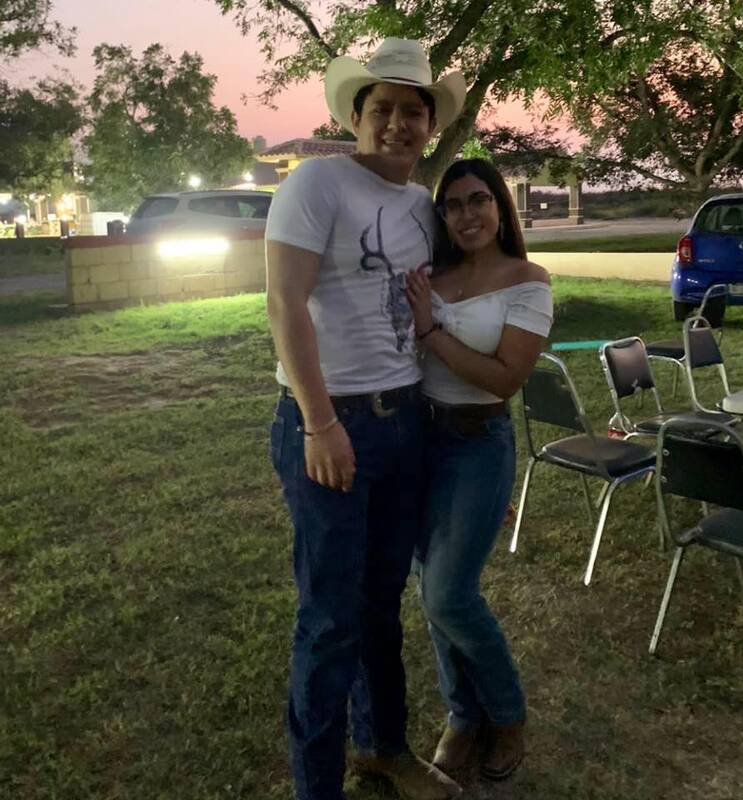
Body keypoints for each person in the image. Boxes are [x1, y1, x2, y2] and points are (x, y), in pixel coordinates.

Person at [266, 38, 467, 800]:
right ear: (355, 116)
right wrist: (320, 425)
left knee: (382, 605)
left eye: (413, 111)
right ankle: (316, 786)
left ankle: (384, 747)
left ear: (430, 124)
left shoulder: (420, 206)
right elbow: (284, 304)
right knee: (329, 619)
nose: (397, 124)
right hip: (332, 422)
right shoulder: (317, 183)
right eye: (381, 109)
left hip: (404, 422)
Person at [405, 158, 553, 782]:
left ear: (500, 206)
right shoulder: (431, 276)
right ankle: (463, 716)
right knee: (429, 587)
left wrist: (430, 331)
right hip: (419, 440)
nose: (466, 215)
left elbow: (504, 378)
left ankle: (507, 712)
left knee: (448, 592)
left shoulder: (528, 281)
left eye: (478, 200)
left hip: (478, 444)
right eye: (453, 205)